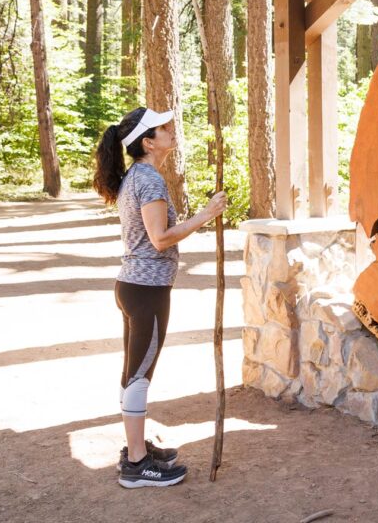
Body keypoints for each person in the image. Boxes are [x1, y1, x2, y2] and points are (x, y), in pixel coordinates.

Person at [93, 107, 227, 488]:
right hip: (146, 291)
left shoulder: (138, 175)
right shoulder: (148, 179)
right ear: (148, 142)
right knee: (140, 374)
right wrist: (206, 214)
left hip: (135, 287)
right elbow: (160, 238)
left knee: (134, 371)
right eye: (164, 128)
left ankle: (137, 448)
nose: (172, 131)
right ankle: (136, 465)